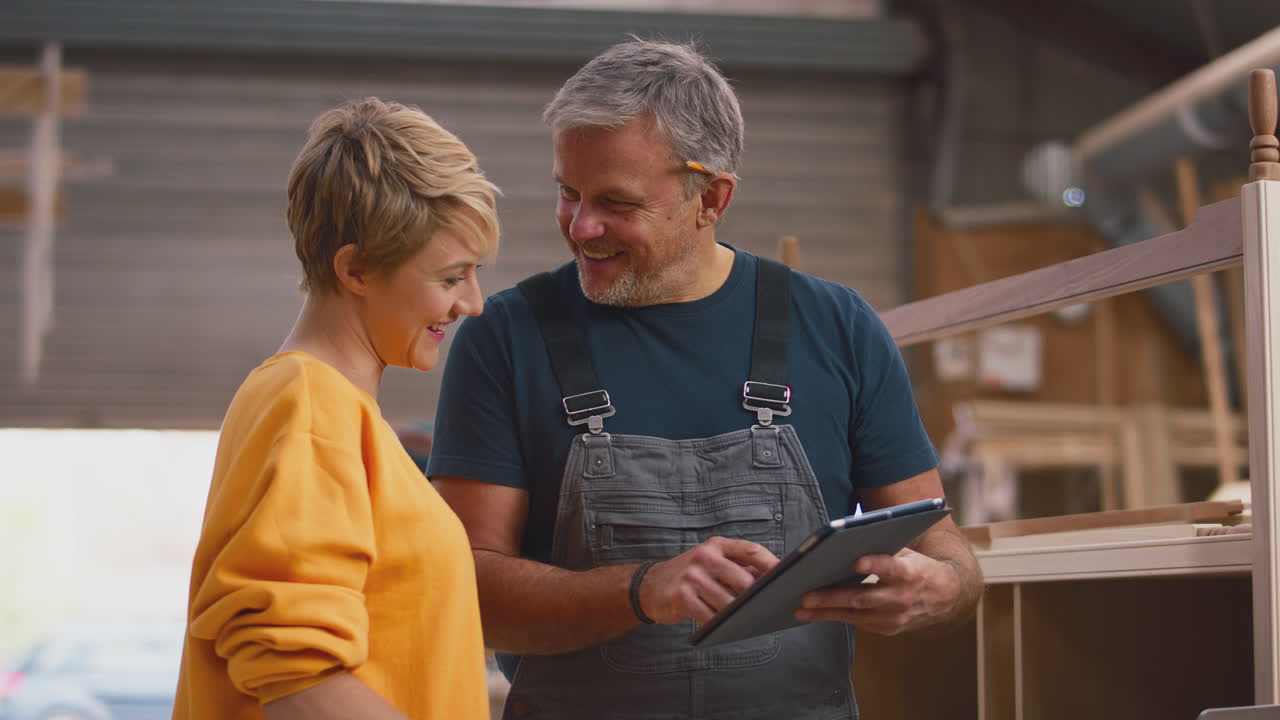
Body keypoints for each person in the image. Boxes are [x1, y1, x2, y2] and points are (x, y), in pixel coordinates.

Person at [428, 39, 982, 720]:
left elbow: (940, 541)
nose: (581, 226)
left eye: (617, 203)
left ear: (711, 197)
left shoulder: (837, 327)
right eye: (568, 194)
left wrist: (944, 587)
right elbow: (465, 591)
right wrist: (641, 589)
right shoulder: (505, 338)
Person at [173, 97, 500, 720]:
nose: (473, 303)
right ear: (355, 269)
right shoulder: (309, 407)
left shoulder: (333, 414)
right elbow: (300, 680)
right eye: (452, 277)